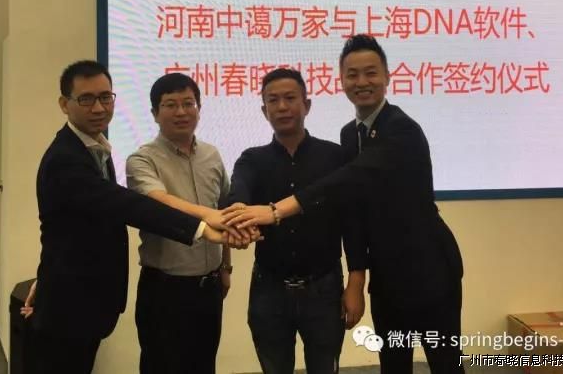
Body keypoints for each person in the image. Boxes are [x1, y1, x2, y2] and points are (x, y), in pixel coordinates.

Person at [224, 35, 465, 374]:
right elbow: (353, 207)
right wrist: (360, 275)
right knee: (394, 363)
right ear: (341, 81)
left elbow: (350, 178)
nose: (361, 82)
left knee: (445, 363)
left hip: (428, 269)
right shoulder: (350, 135)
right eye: (352, 74)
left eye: (371, 73)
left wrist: (277, 210)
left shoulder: (402, 129)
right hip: (385, 274)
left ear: (387, 77)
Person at [29, 60, 247, 374]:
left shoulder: (95, 148)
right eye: (86, 99)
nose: (98, 107)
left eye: (105, 97)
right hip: (77, 302)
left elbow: (73, 226)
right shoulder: (68, 158)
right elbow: (132, 205)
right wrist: (202, 226)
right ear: (65, 104)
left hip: (94, 294)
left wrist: (224, 263)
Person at [221, 68, 367, 374]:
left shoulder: (335, 157)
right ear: (264, 110)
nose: (282, 107)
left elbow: (354, 222)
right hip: (269, 289)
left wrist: (356, 282)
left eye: (290, 98)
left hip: (324, 287)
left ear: (307, 105)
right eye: (273, 100)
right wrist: (237, 214)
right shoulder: (252, 159)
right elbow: (238, 195)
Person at [125, 73, 232, 374]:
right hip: (165, 291)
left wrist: (226, 267)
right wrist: (207, 216)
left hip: (209, 287)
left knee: (204, 365)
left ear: (199, 108)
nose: (182, 112)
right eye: (171, 105)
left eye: (188, 103)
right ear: (154, 113)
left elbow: (223, 211)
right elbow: (159, 202)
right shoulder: (141, 160)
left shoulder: (211, 155)